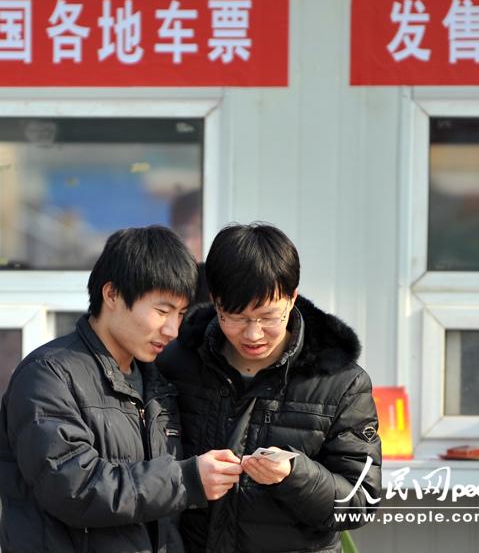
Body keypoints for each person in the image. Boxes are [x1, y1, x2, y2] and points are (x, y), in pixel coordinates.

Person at [0, 225, 244, 553]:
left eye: (181, 314)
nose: (172, 329)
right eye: (162, 311)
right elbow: (74, 489)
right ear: (111, 294)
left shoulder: (158, 382)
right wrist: (187, 479)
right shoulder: (48, 375)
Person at [158, 223, 382, 553]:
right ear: (215, 302)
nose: (253, 334)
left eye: (268, 317)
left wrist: (294, 474)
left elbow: (360, 499)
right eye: (235, 317)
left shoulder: (342, 383)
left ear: (292, 298)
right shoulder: (177, 362)